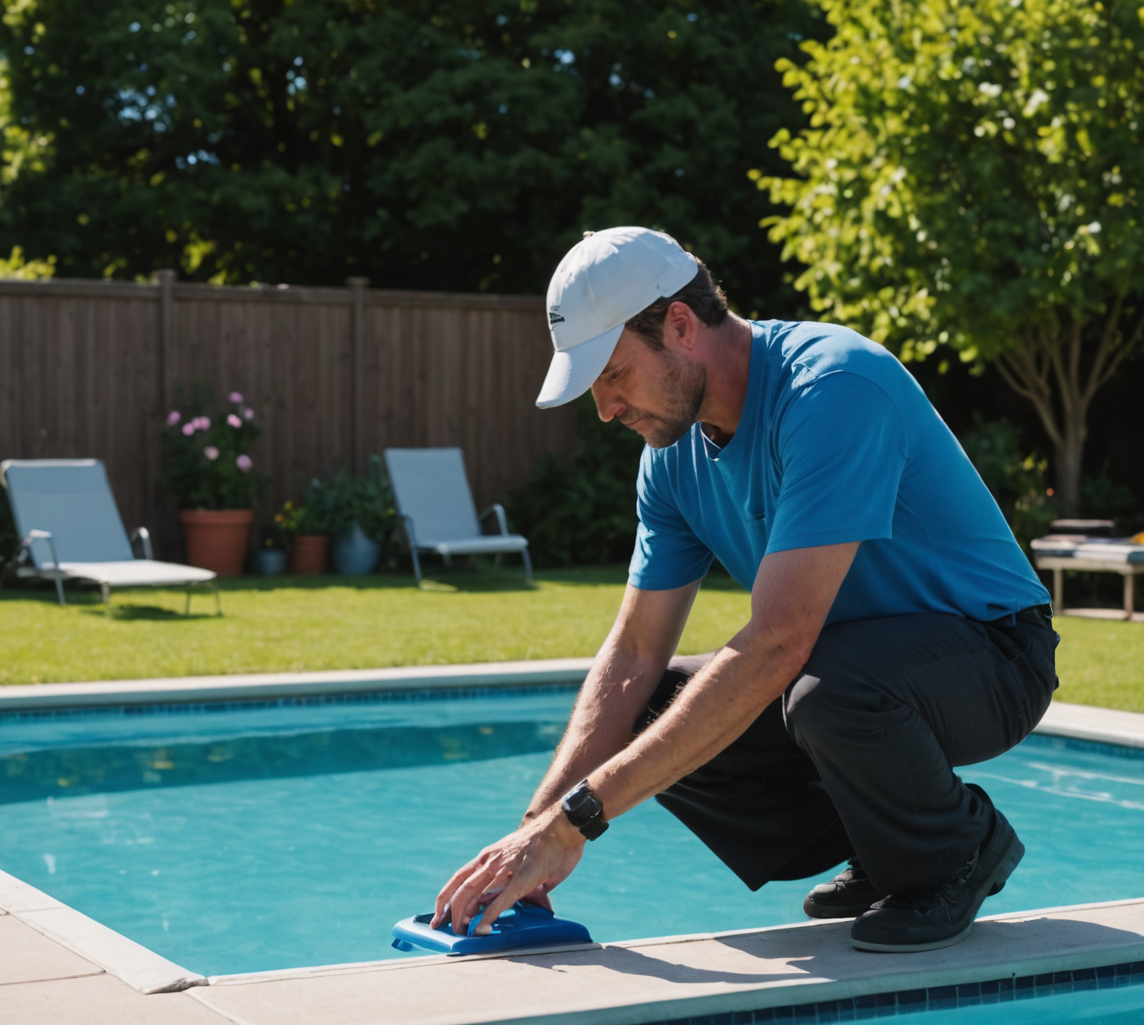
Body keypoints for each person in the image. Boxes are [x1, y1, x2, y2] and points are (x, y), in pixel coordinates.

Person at [435, 227, 1058, 952]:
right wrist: (535, 834)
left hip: (992, 654)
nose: (605, 410)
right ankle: (889, 846)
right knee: (657, 702)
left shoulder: (831, 388)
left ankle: (953, 849)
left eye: (612, 375)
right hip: (846, 666)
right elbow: (635, 651)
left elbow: (779, 641)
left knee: (827, 690)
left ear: (678, 323)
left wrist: (580, 819)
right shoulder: (670, 461)